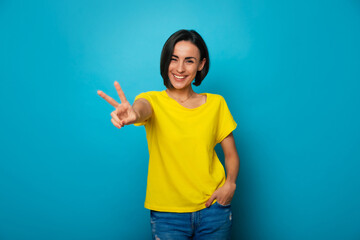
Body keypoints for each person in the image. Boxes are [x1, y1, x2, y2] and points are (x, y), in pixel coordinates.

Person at [97, 29, 239, 240]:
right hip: (168, 216)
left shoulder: (216, 104)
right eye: (174, 59)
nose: (180, 68)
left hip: (213, 211)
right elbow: (141, 109)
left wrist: (230, 185)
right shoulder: (152, 100)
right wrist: (132, 114)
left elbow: (231, 154)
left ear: (201, 64)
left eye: (189, 61)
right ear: (166, 62)